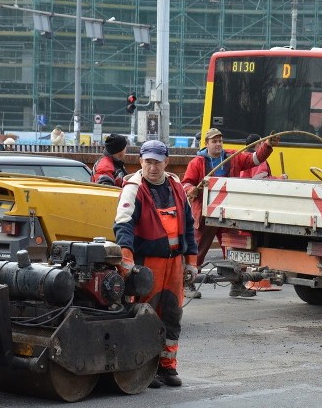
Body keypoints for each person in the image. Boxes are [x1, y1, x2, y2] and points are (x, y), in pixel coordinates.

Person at [114, 140, 198, 388]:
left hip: (174, 264)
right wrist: (126, 260)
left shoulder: (176, 186)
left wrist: (191, 262)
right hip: (147, 263)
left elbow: (189, 227)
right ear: (140, 161)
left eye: (157, 162)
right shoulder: (134, 188)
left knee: (172, 315)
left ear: (166, 162)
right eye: (148, 161)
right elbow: (123, 226)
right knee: (145, 315)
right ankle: (145, 366)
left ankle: (167, 367)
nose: (152, 167)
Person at [181, 127, 276, 298]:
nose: (218, 144)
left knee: (233, 250)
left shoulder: (232, 157)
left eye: (220, 141)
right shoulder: (197, 163)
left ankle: (237, 284)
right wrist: (191, 189)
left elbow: (254, 159)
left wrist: (267, 146)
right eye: (214, 141)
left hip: (227, 214)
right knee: (197, 251)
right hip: (206, 214)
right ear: (207, 144)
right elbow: (186, 183)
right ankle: (187, 284)